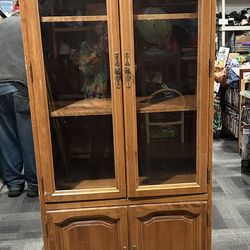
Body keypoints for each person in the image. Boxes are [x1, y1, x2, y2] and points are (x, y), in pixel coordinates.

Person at [0, 1, 38, 197]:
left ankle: (14, 184)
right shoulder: (27, 26)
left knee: (6, 136)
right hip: (20, 85)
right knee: (28, 135)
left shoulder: (1, 26)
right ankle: (34, 184)